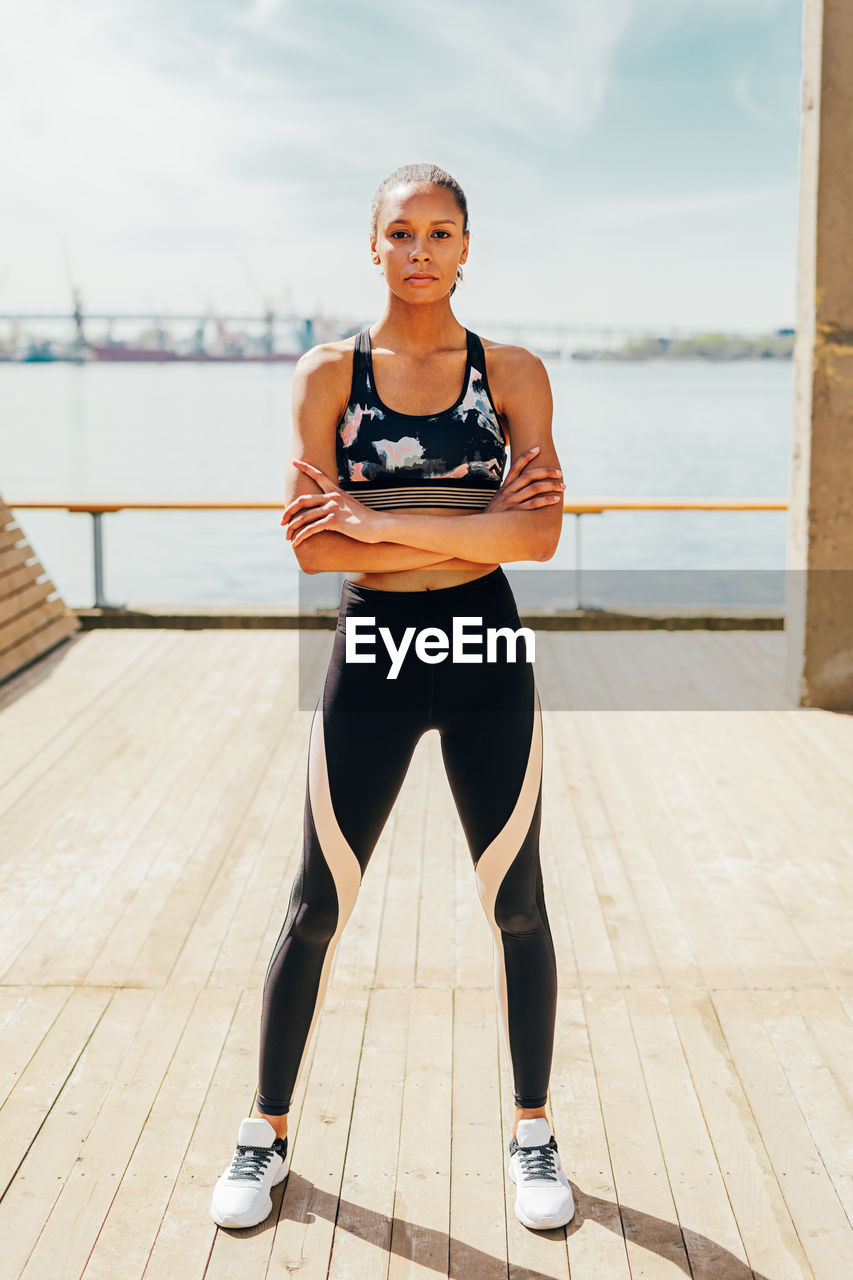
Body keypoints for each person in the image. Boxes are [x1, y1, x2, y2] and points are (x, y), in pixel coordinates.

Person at [210, 163, 573, 1234]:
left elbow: (539, 536)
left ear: (468, 246)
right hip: (373, 643)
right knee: (315, 901)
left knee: (516, 899)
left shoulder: (512, 373)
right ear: (372, 246)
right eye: (402, 232)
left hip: (482, 642)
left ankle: (533, 1131)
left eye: (441, 231)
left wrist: (376, 519)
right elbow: (317, 546)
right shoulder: (328, 374)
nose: (421, 250)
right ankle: (264, 1133)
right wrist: (416, 531)